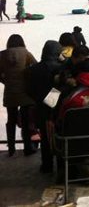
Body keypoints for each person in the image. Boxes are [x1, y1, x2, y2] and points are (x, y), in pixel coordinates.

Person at [26, 40, 65, 173]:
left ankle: (46, 165)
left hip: (41, 108)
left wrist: (39, 99)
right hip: (57, 108)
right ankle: (61, 167)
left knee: (45, 138)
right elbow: (62, 88)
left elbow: (29, 89)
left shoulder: (34, 68)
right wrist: (53, 99)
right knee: (59, 136)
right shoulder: (60, 67)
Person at [0, 34, 37, 156]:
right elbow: (35, 68)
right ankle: (27, 148)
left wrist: (5, 81)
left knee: (11, 120)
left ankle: (11, 148)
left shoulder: (2, 55)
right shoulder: (26, 53)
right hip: (25, 93)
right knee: (26, 122)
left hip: (10, 93)